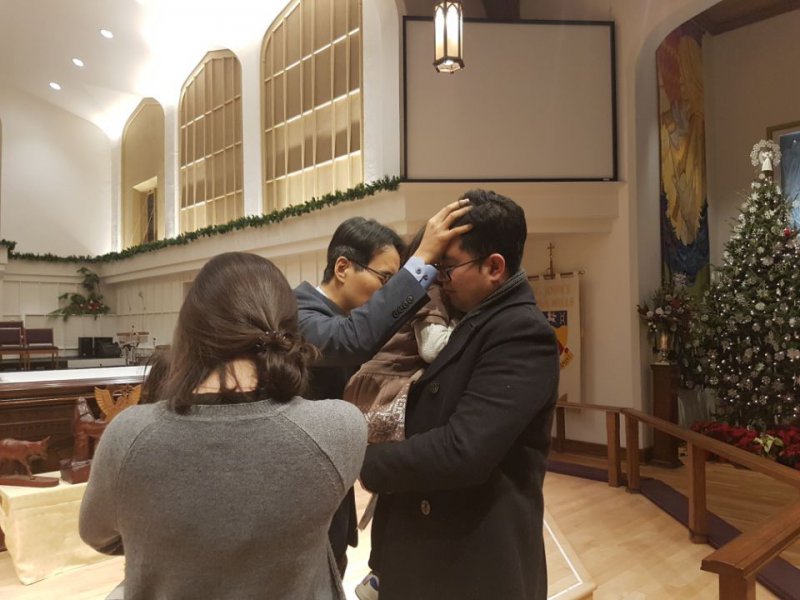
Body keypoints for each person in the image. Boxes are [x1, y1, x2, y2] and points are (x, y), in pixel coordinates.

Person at [79, 252, 367, 600]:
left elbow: (97, 534)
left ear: (190, 332)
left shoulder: (129, 436)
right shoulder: (340, 427)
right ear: (291, 331)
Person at [360, 189, 560, 600]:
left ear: (494, 267)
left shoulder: (521, 333)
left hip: (472, 562)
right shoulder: (472, 317)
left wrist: (365, 461)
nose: (438, 280)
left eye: (447, 268)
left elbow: (463, 450)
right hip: (430, 553)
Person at [294, 201, 471, 574]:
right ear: (343, 267)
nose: (390, 290)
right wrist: (419, 263)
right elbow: (351, 340)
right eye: (386, 278)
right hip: (302, 505)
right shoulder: (298, 315)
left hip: (333, 505)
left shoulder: (357, 324)